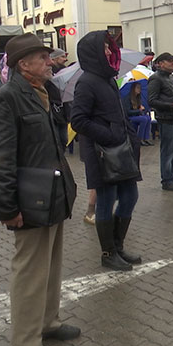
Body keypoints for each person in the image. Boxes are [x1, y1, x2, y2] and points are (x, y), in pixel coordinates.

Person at [0, 33, 78, 346]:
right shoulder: (7, 98)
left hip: (51, 192)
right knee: (30, 271)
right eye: (43, 58)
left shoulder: (45, 92)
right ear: (24, 64)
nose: (50, 63)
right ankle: (23, 342)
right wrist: (7, 206)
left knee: (50, 266)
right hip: (29, 198)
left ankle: (47, 323)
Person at [71, 30, 142, 272]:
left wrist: (130, 137)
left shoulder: (108, 79)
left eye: (110, 47)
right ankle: (108, 252)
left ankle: (118, 246)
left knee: (130, 196)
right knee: (106, 200)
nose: (111, 51)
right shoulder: (86, 82)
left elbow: (118, 115)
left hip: (121, 151)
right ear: (94, 53)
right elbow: (78, 121)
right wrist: (109, 135)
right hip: (102, 154)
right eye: (105, 48)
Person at [148, 52, 173, 191]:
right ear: (161, 63)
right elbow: (152, 100)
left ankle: (172, 175)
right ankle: (166, 179)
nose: (172, 63)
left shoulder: (171, 77)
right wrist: (171, 105)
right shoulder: (155, 79)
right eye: (169, 61)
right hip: (165, 118)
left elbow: (172, 95)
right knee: (167, 150)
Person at [123, 81, 153, 146]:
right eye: (137, 88)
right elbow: (128, 112)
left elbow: (140, 110)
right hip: (130, 117)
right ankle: (140, 138)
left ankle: (146, 138)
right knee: (144, 119)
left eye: (140, 88)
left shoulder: (138, 98)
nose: (139, 90)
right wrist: (139, 111)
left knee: (148, 117)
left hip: (136, 116)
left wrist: (143, 109)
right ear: (133, 89)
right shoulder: (127, 98)